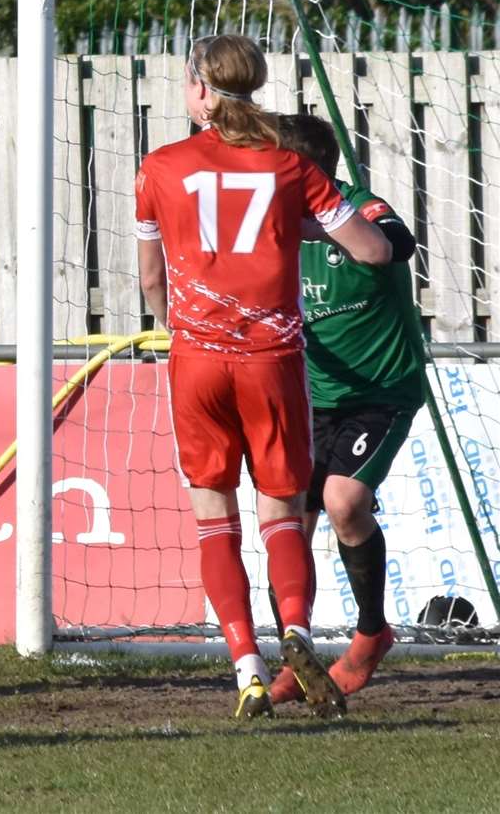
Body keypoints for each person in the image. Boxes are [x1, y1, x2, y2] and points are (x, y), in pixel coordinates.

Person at [135, 36, 391, 719]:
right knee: (282, 513)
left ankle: (246, 667)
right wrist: (307, 226)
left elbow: (152, 280)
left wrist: (177, 329)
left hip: (197, 362)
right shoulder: (288, 167)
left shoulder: (159, 167)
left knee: (213, 520)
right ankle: (298, 632)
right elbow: (372, 249)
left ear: (199, 91)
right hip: (272, 363)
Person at [267, 112, 420, 702]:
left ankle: (370, 634)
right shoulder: (266, 225)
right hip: (307, 396)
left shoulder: (361, 207)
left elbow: (397, 245)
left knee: (343, 499)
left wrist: (316, 230)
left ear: (302, 172)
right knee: (286, 523)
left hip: (380, 392)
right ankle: (295, 653)